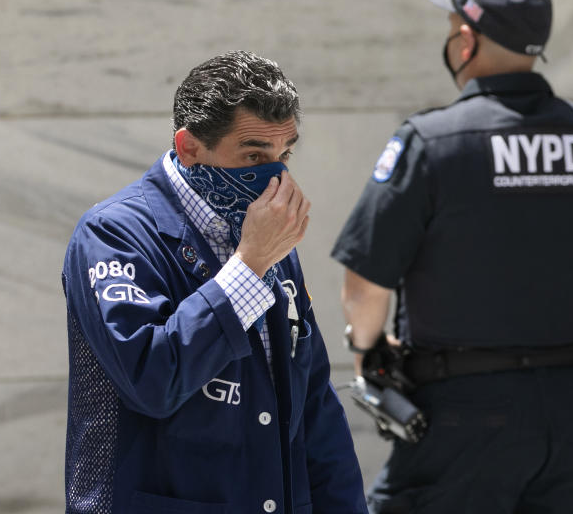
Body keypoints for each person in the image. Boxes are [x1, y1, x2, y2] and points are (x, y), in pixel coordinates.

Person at [331, 0, 573, 514]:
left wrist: (369, 349)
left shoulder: (431, 143)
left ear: (466, 41)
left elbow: (365, 284)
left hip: (457, 418)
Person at [62, 51, 368, 514]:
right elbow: (152, 379)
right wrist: (249, 266)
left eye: (284, 155)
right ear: (189, 148)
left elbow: (314, 407)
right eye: (253, 155)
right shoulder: (112, 233)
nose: (276, 176)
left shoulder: (265, 236)